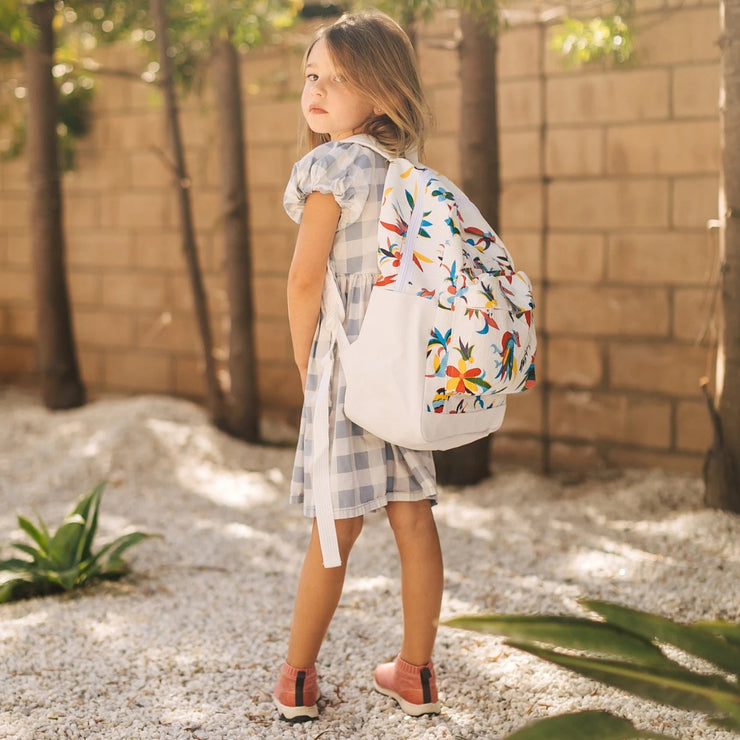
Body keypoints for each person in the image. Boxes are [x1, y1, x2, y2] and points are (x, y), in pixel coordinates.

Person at [272, 11, 445, 723]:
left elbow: (304, 281)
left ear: (380, 91)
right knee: (413, 519)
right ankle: (416, 672)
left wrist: (303, 363)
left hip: (343, 368)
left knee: (334, 527)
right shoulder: (409, 174)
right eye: (312, 75)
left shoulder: (329, 165)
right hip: (398, 369)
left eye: (338, 79)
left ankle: (297, 679)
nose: (317, 90)